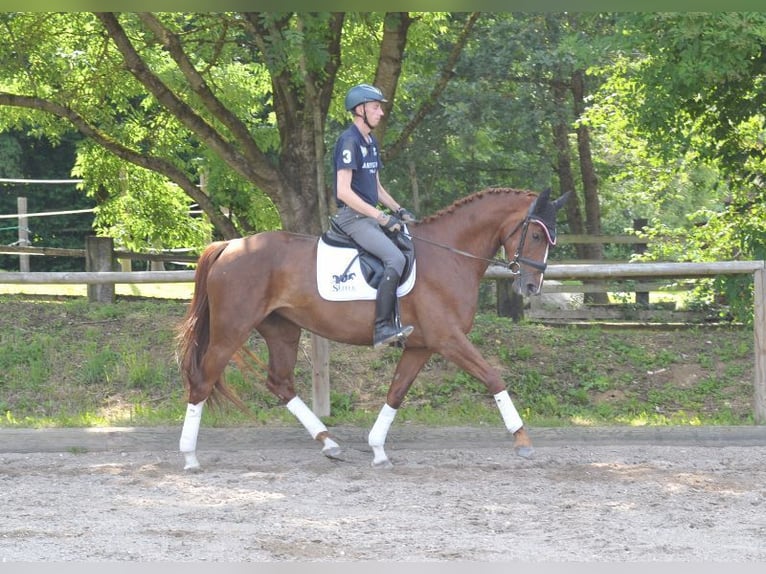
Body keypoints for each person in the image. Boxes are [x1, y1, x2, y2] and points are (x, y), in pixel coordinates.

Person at [332, 83, 416, 349]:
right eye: (376, 107)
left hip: (369, 216)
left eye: (380, 107)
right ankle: (382, 329)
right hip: (353, 218)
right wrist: (381, 218)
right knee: (395, 257)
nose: (381, 112)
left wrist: (398, 209)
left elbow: (376, 188)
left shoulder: (371, 142)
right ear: (360, 110)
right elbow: (343, 192)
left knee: (410, 247)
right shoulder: (349, 141)